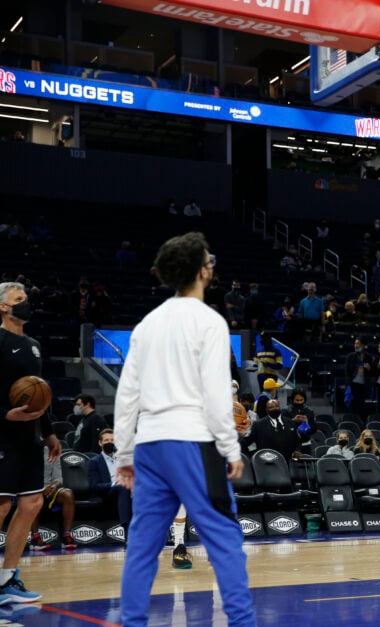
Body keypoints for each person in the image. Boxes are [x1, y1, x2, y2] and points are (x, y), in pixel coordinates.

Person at [113, 232, 255, 626]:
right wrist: (230, 448)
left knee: (142, 545)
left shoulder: (147, 324)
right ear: (201, 271)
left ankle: (133, 622)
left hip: (150, 445)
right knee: (224, 538)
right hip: (192, 441)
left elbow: (127, 396)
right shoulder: (209, 321)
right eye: (209, 260)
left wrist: (125, 455)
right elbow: (215, 394)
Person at [0, 280, 62, 604]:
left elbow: (40, 395)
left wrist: (49, 432)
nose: (26, 302)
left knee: (31, 503)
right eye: (18, 298)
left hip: (30, 438)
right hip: (2, 435)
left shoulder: (34, 345)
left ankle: (7, 579)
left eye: (26, 297)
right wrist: (5, 415)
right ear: (3, 306)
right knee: (1, 505)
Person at [29, 446, 77, 551]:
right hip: (30, 489)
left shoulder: (52, 451)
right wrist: (40, 488)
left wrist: (53, 486)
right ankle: (35, 537)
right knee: (32, 495)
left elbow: (58, 478)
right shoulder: (21, 452)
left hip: (50, 489)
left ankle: (66, 536)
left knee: (68, 494)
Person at [88, 428, 133, 535]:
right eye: (106, 440)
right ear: (100, 443)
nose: (109, 442)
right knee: (122, 487)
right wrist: (114, 483)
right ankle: (128, 532)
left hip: (126, 491)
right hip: (106, 493)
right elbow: (95, 486)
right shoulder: (94, 462)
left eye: (112, 440)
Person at [345, 338, 375, 418]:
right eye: (355, 343)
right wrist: (349, 384)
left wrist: (369, 368)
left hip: (363, 385)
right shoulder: (350, 356)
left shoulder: (368, 357)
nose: (356, 345)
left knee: (361, 406)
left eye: (358, 344)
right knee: (352, 405)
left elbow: (372, 373)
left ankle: (361, 423)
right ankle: (352, 421)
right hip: (353, 384)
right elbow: (347, 372)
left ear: (363, 345)